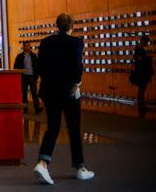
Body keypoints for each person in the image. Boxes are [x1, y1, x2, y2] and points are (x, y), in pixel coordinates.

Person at [33, 13, 94, 185]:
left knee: (53, 127)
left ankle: (43, 163)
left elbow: (40, 67)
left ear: (57, 25)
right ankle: (80, 167)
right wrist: (76, 84)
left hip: (49, 90)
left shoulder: (45, 43)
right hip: (68, 91)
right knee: (74, 128)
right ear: (71, 26)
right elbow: (77, 65)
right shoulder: (75, 42)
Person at [14, 41, 42, 114]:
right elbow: (15, 67)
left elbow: (37, 67)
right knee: (24, 93)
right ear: (23, 47)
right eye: (26, 46)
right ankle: (25, 109)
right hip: (24, 77)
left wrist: (37, 76)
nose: (28, 47)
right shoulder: (19, 56)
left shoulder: (33, 56)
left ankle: (37, 108)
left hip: (32, 77)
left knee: (34, 94)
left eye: (28, 46)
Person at [132, 35, 153, 117]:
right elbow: (140, 60)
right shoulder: (139, 49)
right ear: (143, 41)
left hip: (141, 72)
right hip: (142, 73)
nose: (147, 44)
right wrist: (147, 59)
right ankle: (141, 106)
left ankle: (141, 105)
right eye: (146, 42)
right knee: (141, 89)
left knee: (141, 89)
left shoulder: (138, 49)